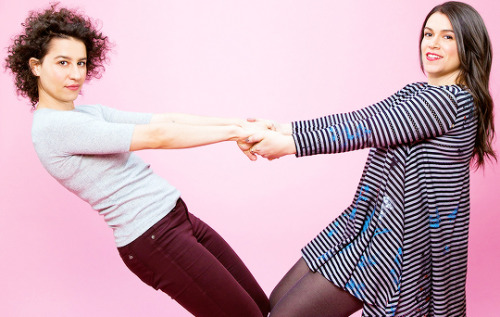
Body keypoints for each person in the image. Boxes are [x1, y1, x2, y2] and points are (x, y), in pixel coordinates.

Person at [5, 4, 270, 317]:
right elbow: (159, 136)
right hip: (153, 238)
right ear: (35, 66)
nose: (76, 74)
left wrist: (240, 125)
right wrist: (234, 133)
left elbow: (165, 120)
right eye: (62, 62)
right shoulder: (54, 128)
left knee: (263, 308)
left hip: (176, 218)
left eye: (81, 63)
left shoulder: (87, 113)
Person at [242, 1, 496, 316]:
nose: (432, 43)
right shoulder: (416, 92)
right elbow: (365, 116)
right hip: (364, 226)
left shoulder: (452, 101)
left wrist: (289, 145)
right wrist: (285, 128)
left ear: (470, 46)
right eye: (428, 33)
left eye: (448, 37)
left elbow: (365, 129)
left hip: (395, 247)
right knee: (275, 302)